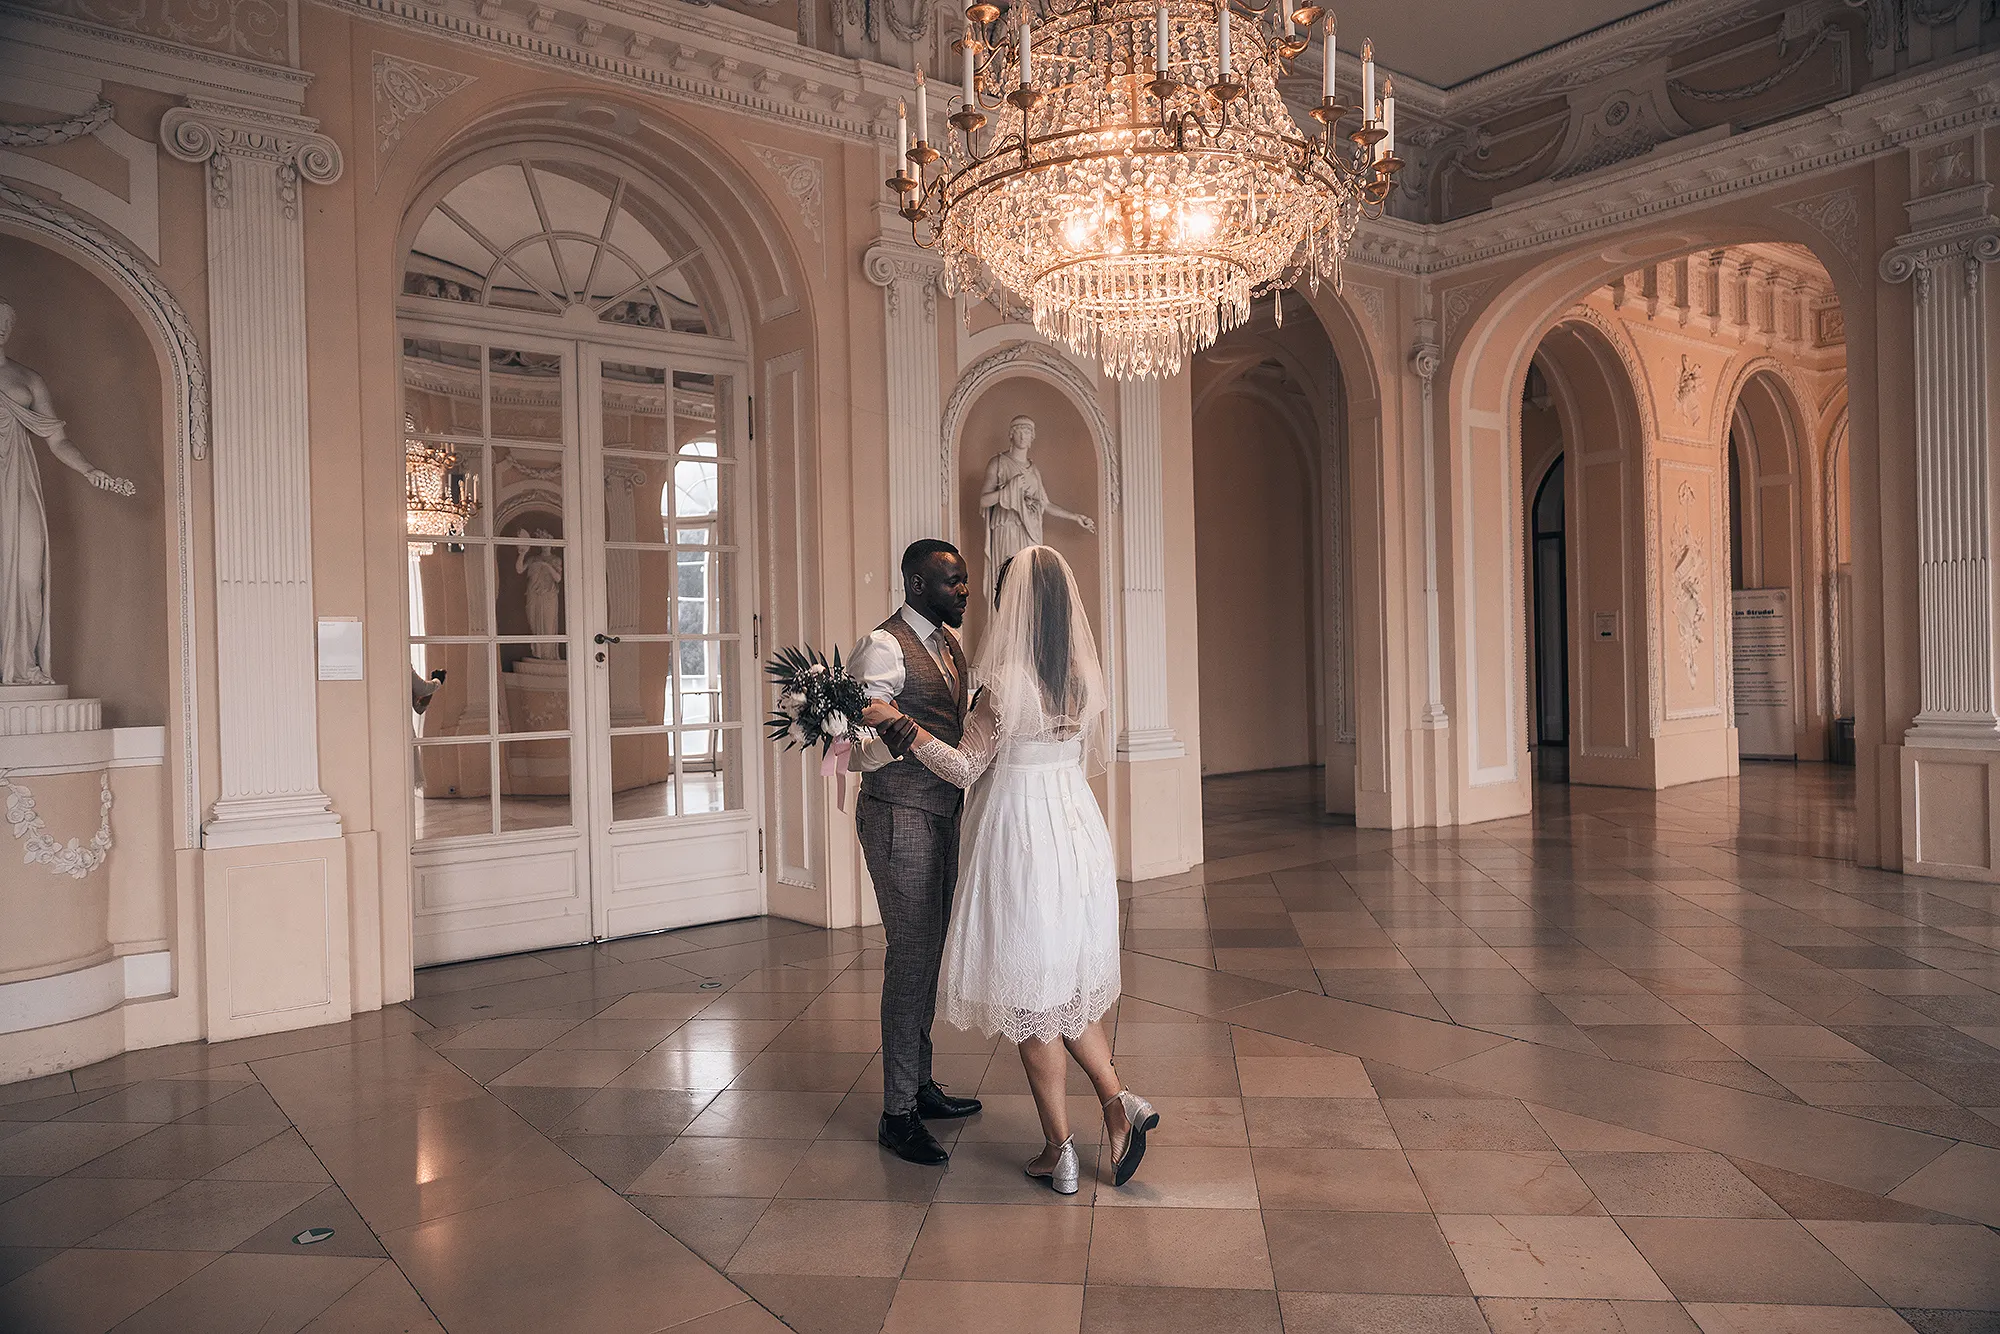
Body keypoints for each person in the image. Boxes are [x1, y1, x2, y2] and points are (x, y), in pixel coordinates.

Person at [862, 545, 1156, 1193]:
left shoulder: (1006, 684)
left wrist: (901, 726)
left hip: (1022, 840)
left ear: (1016, 605)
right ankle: (1118, 1104)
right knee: (1066, 982)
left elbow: (965, 766)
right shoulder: (1081, 676)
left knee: (1029, 991)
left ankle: (1061, 1151)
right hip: (1076, 832)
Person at [848, 539, 984, 1165]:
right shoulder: (884, 644)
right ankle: (896, 1113)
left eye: (964, 582)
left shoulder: (950, 644)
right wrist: (888, 741)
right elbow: (856, 730)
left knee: (927, 951)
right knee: (909, 957)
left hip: (942, 813)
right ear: (914, 584)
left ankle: (920, 1084)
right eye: (952, 583)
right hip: (899, 814)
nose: (963, 591)